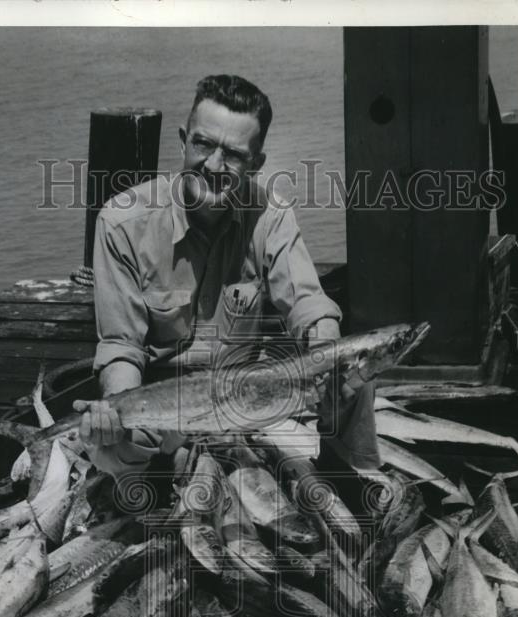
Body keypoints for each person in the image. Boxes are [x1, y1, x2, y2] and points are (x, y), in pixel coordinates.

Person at [73, 74, 381, 509]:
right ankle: (154, 483)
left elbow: (311, 307)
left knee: (355, 377)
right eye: (203, 144)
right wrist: (116, 408)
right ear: (183, 140)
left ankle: (349, 485)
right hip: (165, 405)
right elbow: (121, 346)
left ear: (256, 163)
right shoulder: (122, 222)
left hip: (246, 400)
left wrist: (328, 358)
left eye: (234, 154)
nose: (214, 166)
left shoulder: (270, 216)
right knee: (113, 439)